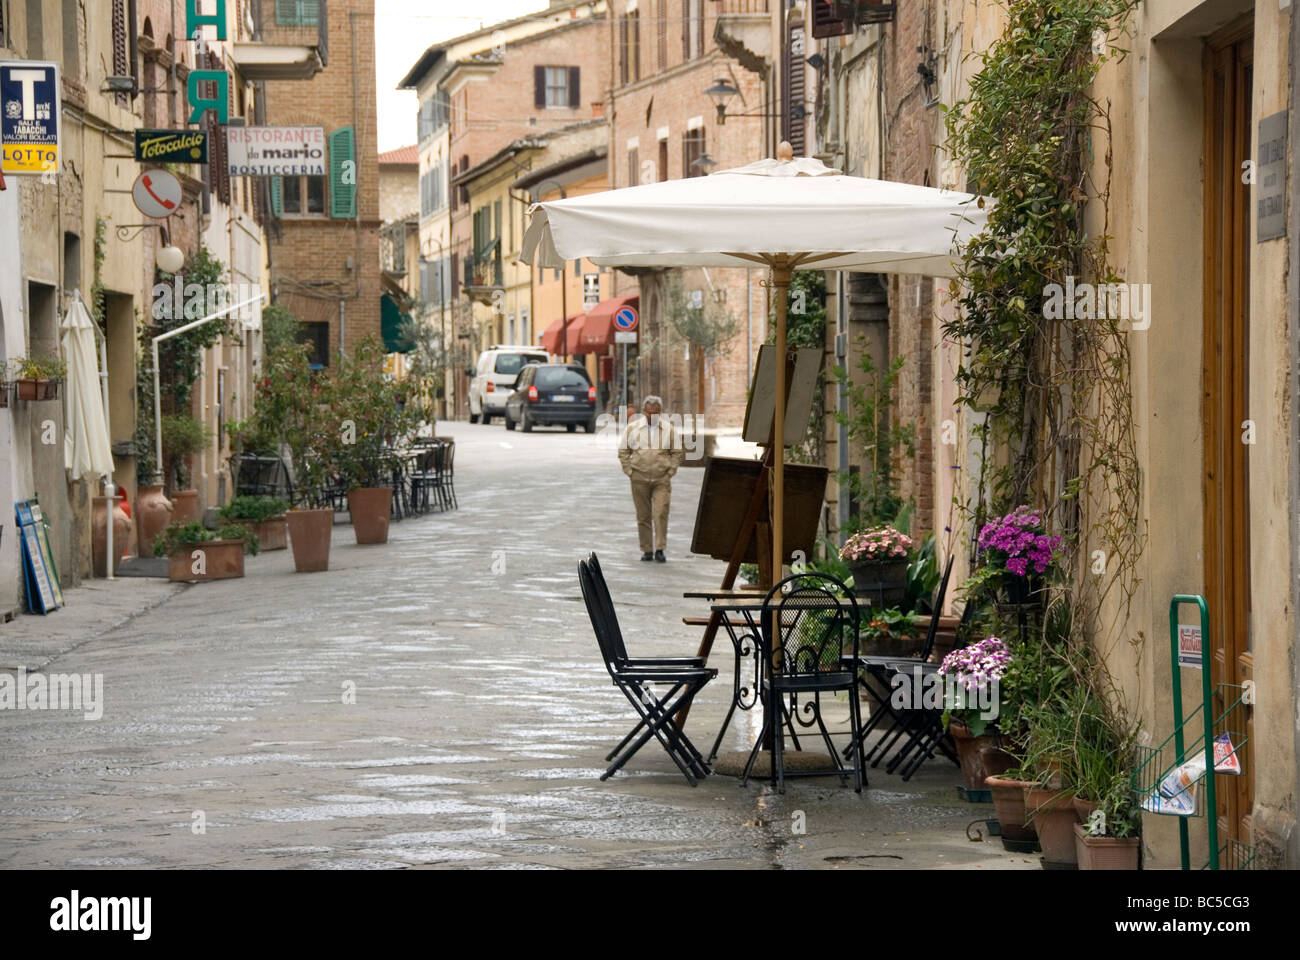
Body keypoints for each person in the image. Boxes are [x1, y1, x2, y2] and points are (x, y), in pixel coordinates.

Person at [618, 396, 683, 562]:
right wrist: (629, 471)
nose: (651, 415)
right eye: (648, 412)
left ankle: (660, 548)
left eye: (655, 412)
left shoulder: (669, 429)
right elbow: (623, 451)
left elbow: (677, 452)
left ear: (660, 412)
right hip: (639, 477)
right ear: (643, 411)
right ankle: (647, 549)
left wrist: (671, 471)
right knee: (643, 515)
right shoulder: (633, 429)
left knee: (661, 513)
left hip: (662, 479)